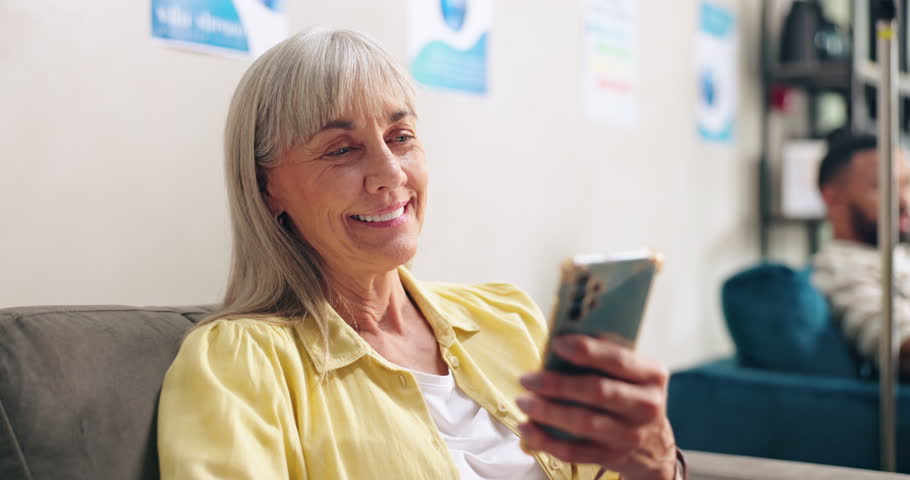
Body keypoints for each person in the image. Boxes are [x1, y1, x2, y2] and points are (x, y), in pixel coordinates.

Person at [157, 28, 684, 480]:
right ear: (267, 187)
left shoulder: (509, 319)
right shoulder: (240, 361)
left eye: (401, 136)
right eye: (342, 149)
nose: (391, 173)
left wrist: (659, 462)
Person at [812, 129, 910, 380]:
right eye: (884, 186)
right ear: (832, 198)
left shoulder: (898, 256)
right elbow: (896, 343)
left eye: (906, 184)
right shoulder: (838, 269)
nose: (904, 200)